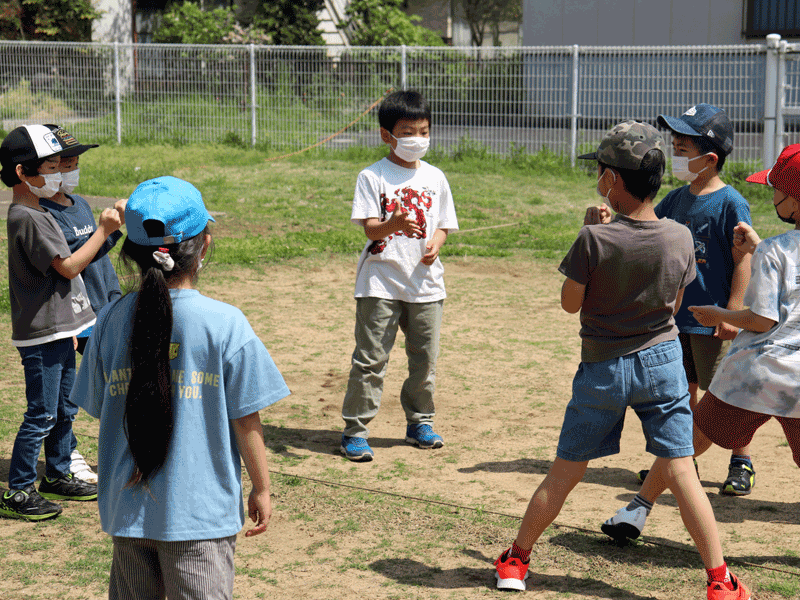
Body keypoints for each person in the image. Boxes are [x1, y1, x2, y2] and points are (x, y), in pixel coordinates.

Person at [494, 121, 750, 600]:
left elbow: (572, 302)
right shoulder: (677, 236)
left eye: (601, 171)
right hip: (663, 363)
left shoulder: (595, 239)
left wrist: (591, 233)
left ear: (612, 180)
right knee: (680, 469)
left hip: (603, 368)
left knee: (567, 469)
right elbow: (673, 305)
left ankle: (516, 559)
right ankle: (720, 580)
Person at [71, 176, 289, 599]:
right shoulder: (225, 323)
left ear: (131, 252)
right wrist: (261, 488)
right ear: (203, 244)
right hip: (200, 517)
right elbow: (245, 417)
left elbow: (99, 406)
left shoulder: (110, 321)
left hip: (127, 513)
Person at [603, 144, 800, 550]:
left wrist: (717, 313)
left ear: (795, 198)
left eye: (778, 190)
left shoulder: (775, 251)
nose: (772, 196)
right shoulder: (772, 249)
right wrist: (759, 248)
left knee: (688, 440)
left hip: (758, 373)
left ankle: (636, 510)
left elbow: (763, 320)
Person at [587, 104, 754, 495]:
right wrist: (613, 223)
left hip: (713, 320)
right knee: (683, 391)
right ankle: (680, 461)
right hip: (676, 317)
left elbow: (743, 258)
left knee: (725, 395)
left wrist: (733, 311)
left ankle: (741, 459)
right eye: (675, 147)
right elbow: (647, 224)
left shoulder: (731, 203)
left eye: (683, 149)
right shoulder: (677, 199)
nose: (675, 155)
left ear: (709, 159)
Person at [0, 124, 119, 521]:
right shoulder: (27, 217)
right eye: (50, 166)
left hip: (62, 327)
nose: (58, 172)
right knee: (42, 412)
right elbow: (67, 267)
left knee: (65, 406)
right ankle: (18, 490)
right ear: (22, 172)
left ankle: (57, 471)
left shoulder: (37, 210)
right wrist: (103, 230)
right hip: (43, 331)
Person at [339, 89, 458, 462]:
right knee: (371, 359)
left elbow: (444, 225)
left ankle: (420, 422)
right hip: (380, 283)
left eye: (424, 131)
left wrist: (436, 244)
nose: (418, 139)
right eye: (409, 131)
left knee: (424, 359)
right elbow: (371, 230)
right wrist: (393, 223)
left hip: (425, 285)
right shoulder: (372, 176)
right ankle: (355, 431)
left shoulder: (436, 177)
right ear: (386, 135)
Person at [39, 124, 125, 485]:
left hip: (105, 304)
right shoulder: (43, 214)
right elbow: (71, 262)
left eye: (74, 161)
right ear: (47, 167)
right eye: (62, 162)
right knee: (69, 390)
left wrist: (117, 228)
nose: (70, 168)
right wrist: (106, 231)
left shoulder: (80, 205)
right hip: (76, 314)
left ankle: (125, 449)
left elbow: (96, 255)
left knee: (117, 380)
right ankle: (67, 452)